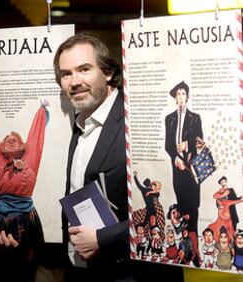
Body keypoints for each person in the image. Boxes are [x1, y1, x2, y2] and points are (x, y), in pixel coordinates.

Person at [54, 33, 183, 281]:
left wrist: (102, 239)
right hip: (82, 269)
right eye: (66, 74)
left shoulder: (137, 119)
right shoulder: (77, 121)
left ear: (109, 72)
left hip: (132, 273)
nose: (74, 81)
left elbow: (167, 206)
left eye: (84, 69)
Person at [0, 101, 49, 250]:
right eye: (8, 140)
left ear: (23, 144)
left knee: (27, 260)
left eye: (15, 139)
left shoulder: (30, 160)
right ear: (2, 146)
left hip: (25, 217)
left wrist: (41, 112)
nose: (11, 140)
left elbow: (36, 138)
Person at [165, 81, 202, 256]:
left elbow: (200, 142)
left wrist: (188, 146)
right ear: (175, 98)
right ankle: (185, 248)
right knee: (182, 205)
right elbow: (167, 144)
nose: (180, 97)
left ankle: (195, 247)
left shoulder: (195, 118)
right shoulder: (169, 119)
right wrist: (174, 158)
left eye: (183, 93)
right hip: (177, 170)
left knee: (193, 205)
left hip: (192, 169)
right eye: (178, 94)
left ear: (187, 96)